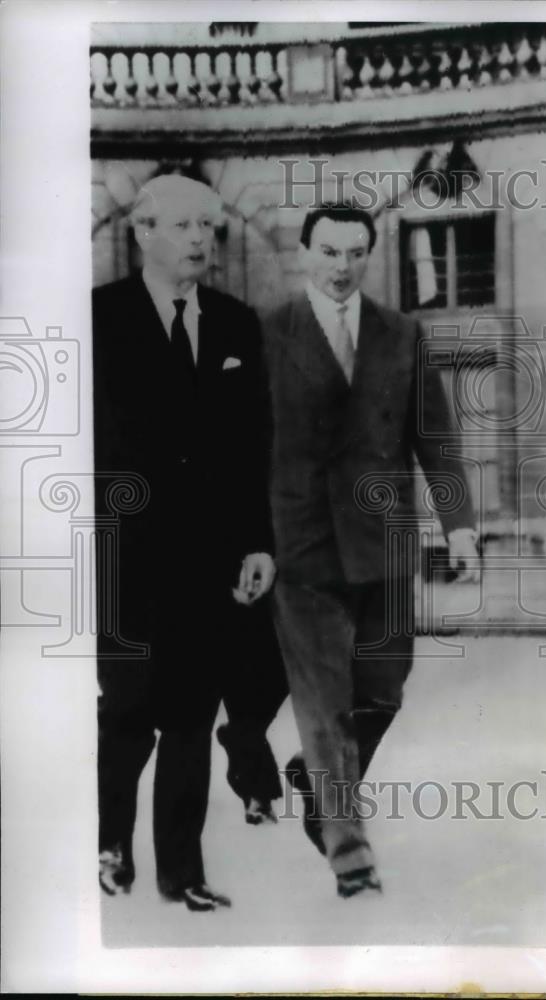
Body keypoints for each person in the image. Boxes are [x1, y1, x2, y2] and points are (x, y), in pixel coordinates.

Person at [262, 201, 480, 898]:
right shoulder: (267, 334)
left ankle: (315, 780)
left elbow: (435, 439)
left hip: (385, 542)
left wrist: (460, 525)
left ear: (369, 255)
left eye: (355, 253)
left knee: (382, 691)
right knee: (323, 703)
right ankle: (349, 854)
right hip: (302, 545)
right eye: (328, 252)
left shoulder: (401, 333)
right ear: (304, 254)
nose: (341, 267)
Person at [92, 174, 287, 912]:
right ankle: (112, 844)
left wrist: (258, 544)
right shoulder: (98, 318)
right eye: (184, 227)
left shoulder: (236, 325)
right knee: (128, 714)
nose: (203, 240)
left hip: (212, 564)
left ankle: (183, 871)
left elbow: (251, 447)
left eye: (210, 227)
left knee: (192, 719)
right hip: (127, 562)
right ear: (143, 232)